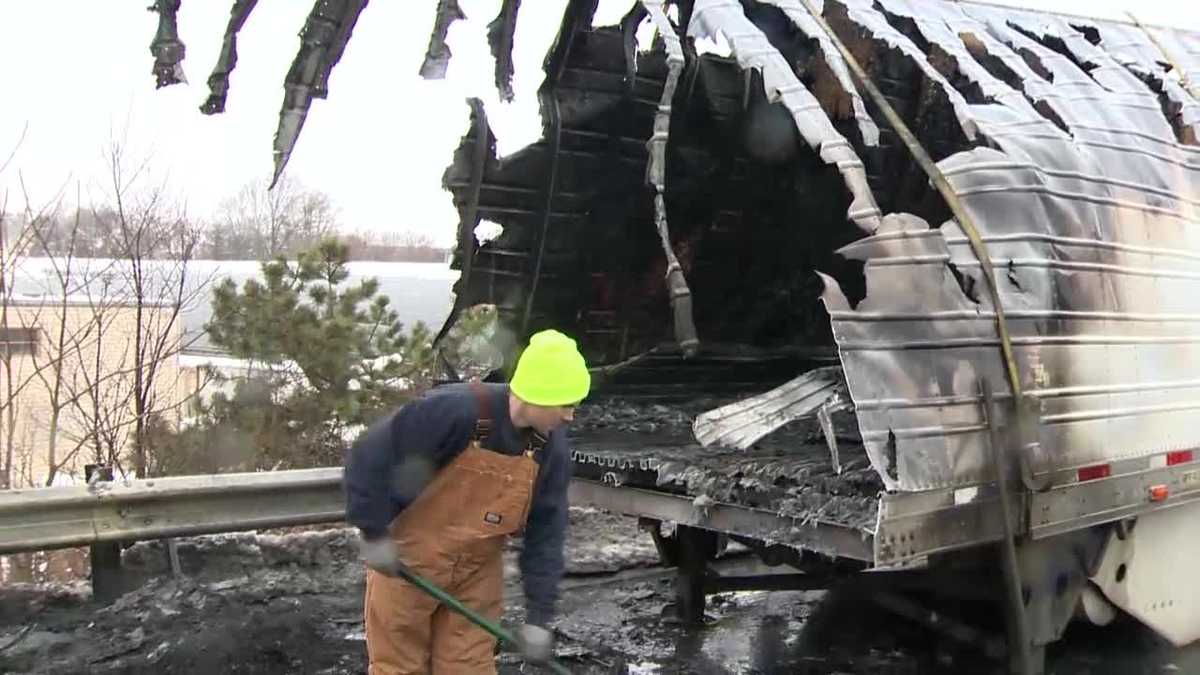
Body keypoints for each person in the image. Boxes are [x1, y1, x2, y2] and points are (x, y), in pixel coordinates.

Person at [344, 329, 590, 674]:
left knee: (470, 667)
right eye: (565, 404)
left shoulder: (550, 450)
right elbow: (369, 456)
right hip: (410, 563)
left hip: (476, 573)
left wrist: (539, 617)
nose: (569, 416)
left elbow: (546, 533)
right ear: (538, 394)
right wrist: (372, 531)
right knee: (399, 667)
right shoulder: (454, 412)